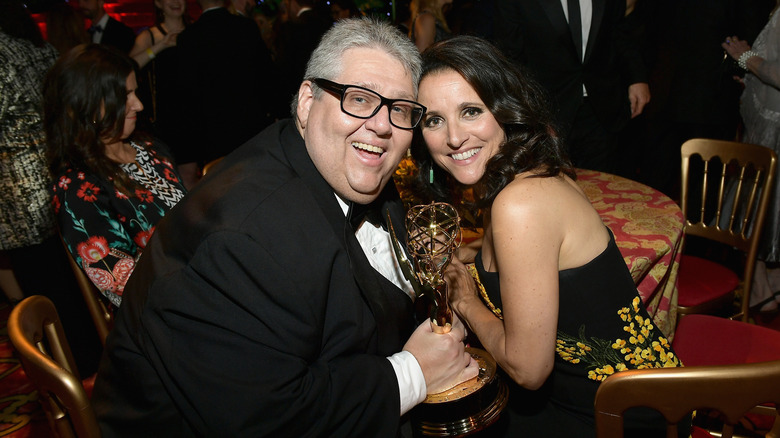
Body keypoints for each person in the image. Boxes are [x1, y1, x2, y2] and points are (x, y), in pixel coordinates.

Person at [91, 18, 478, 437]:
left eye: (399, 109)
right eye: (360, 99)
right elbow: (265, 419)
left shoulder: (340, 166)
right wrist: (415, 371)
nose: (382, 126)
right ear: (307, 103)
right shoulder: (241, 240)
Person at [411, 36, 683, 436]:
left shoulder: (520, 204)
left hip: (616, 417)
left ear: (505, 110)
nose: (453, 137)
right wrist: (470, 250)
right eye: (434, 120)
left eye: (471, 111)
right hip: (636, 396)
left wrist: (466, 300)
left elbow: (528, 369)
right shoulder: (527, 174)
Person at [44, 44, 187, 309]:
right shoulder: (77, 189)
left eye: (135, 92)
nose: (139, 105)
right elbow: (127, 288)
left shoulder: (148, 147)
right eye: (125, 96)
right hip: (167, 313)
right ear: (85, 106)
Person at [1, 0, 102, 376]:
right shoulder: (36, 44)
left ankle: (68, 369)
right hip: (53, 175)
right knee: (67, 281)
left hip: (19, 192)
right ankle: (91, 357)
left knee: (43, 288)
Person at [493, 0, 649, 174]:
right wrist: (534, 115)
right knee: (552, 186)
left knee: (602, 184)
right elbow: (510, 58)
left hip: (602, 108)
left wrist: (637, 78)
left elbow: (619, 33)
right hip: (548, 111)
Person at [172, 0, 279, 189]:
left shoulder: (189, 37)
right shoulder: (246, 27)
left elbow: (186, 99)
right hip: (252, 130)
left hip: (212, 138)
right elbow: (268, 81)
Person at [722, 2, 780, 309]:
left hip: (773, 131)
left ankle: (761, 292)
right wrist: (753, 78)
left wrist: (745, 57)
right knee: (764, 211)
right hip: (767, 122)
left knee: (754, 211)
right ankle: (768, 289)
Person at [129, 0, 189, 147]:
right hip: (164, 115)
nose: (176, 2)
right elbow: (129, 67)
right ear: (158, 3)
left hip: (192, 112)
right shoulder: (149, 36)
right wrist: (160, 46)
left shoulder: (196, 30)